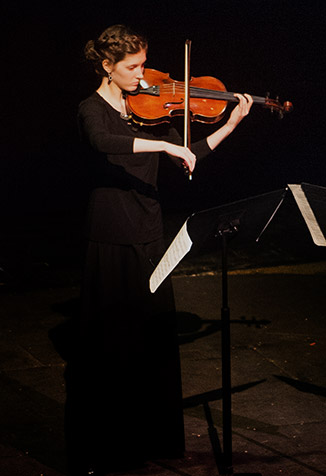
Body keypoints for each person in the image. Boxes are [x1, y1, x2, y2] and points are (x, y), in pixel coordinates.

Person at [66, 24, 253, 476]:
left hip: (148, 227)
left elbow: (189, 154)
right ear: (107, 67)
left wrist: (229, 124)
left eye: (143, 64)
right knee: (112, 342)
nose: (142, 74)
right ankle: (107, 446)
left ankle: (149, 438)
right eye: (132, 67)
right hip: (110, 231)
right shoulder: (91, 108)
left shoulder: (149, 108)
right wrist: (159, 143)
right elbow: (105, 143)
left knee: (150, 339)